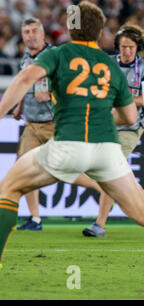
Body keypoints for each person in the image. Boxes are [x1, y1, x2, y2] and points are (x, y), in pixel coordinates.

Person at [0, 2, 144, 293]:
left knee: (9, 189)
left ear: (70, 29)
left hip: (68, 144)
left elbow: (26, 78)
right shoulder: (110, 67)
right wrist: (99, 110)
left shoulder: (59, 53)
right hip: (108, 150)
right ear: (100, 32)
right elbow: (128, 117)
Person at [14, 17, 101, 231]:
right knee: (24, 169)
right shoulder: (25, 59)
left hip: (56, 123)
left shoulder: (57, 56)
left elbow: (74, 84)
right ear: (23, 36)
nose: (30, 35)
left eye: (35, 31)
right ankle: (35, 219)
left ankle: (105, 189)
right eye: (26, 32)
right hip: (32, 124)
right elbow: (24, 84)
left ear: (43, 34)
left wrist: (52, 93)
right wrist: (19, 106)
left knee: (67, 169)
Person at [82, 23, 144, 238]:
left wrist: (125, 101)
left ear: (137, 47)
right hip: (105, 124)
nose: (126, 51)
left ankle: (100, 224)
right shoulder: (105, 65)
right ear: (118, 46)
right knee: (94, 167)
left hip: (131, 128)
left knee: (109, 168)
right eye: (123, 47)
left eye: (131, 47)